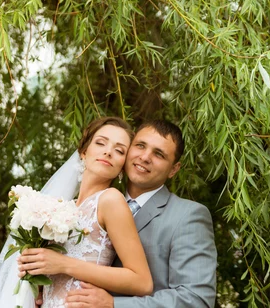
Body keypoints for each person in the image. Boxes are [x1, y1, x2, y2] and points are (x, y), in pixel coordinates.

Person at [0, 117, 154, 308]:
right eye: (100, 143)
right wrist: (38, 278)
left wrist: (64, 264)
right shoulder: (63, 209)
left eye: (119, 150)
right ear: (83, 151)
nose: (108, 152)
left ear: (123, 165)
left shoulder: (110, 200)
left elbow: (142, 281)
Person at [63, 119, 218, 308]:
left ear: (174, 169)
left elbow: (196, 299)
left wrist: (113, 305)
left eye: (159, 154)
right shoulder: (96, 206)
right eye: (140, 146)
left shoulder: (188, 216)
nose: (145, 157)